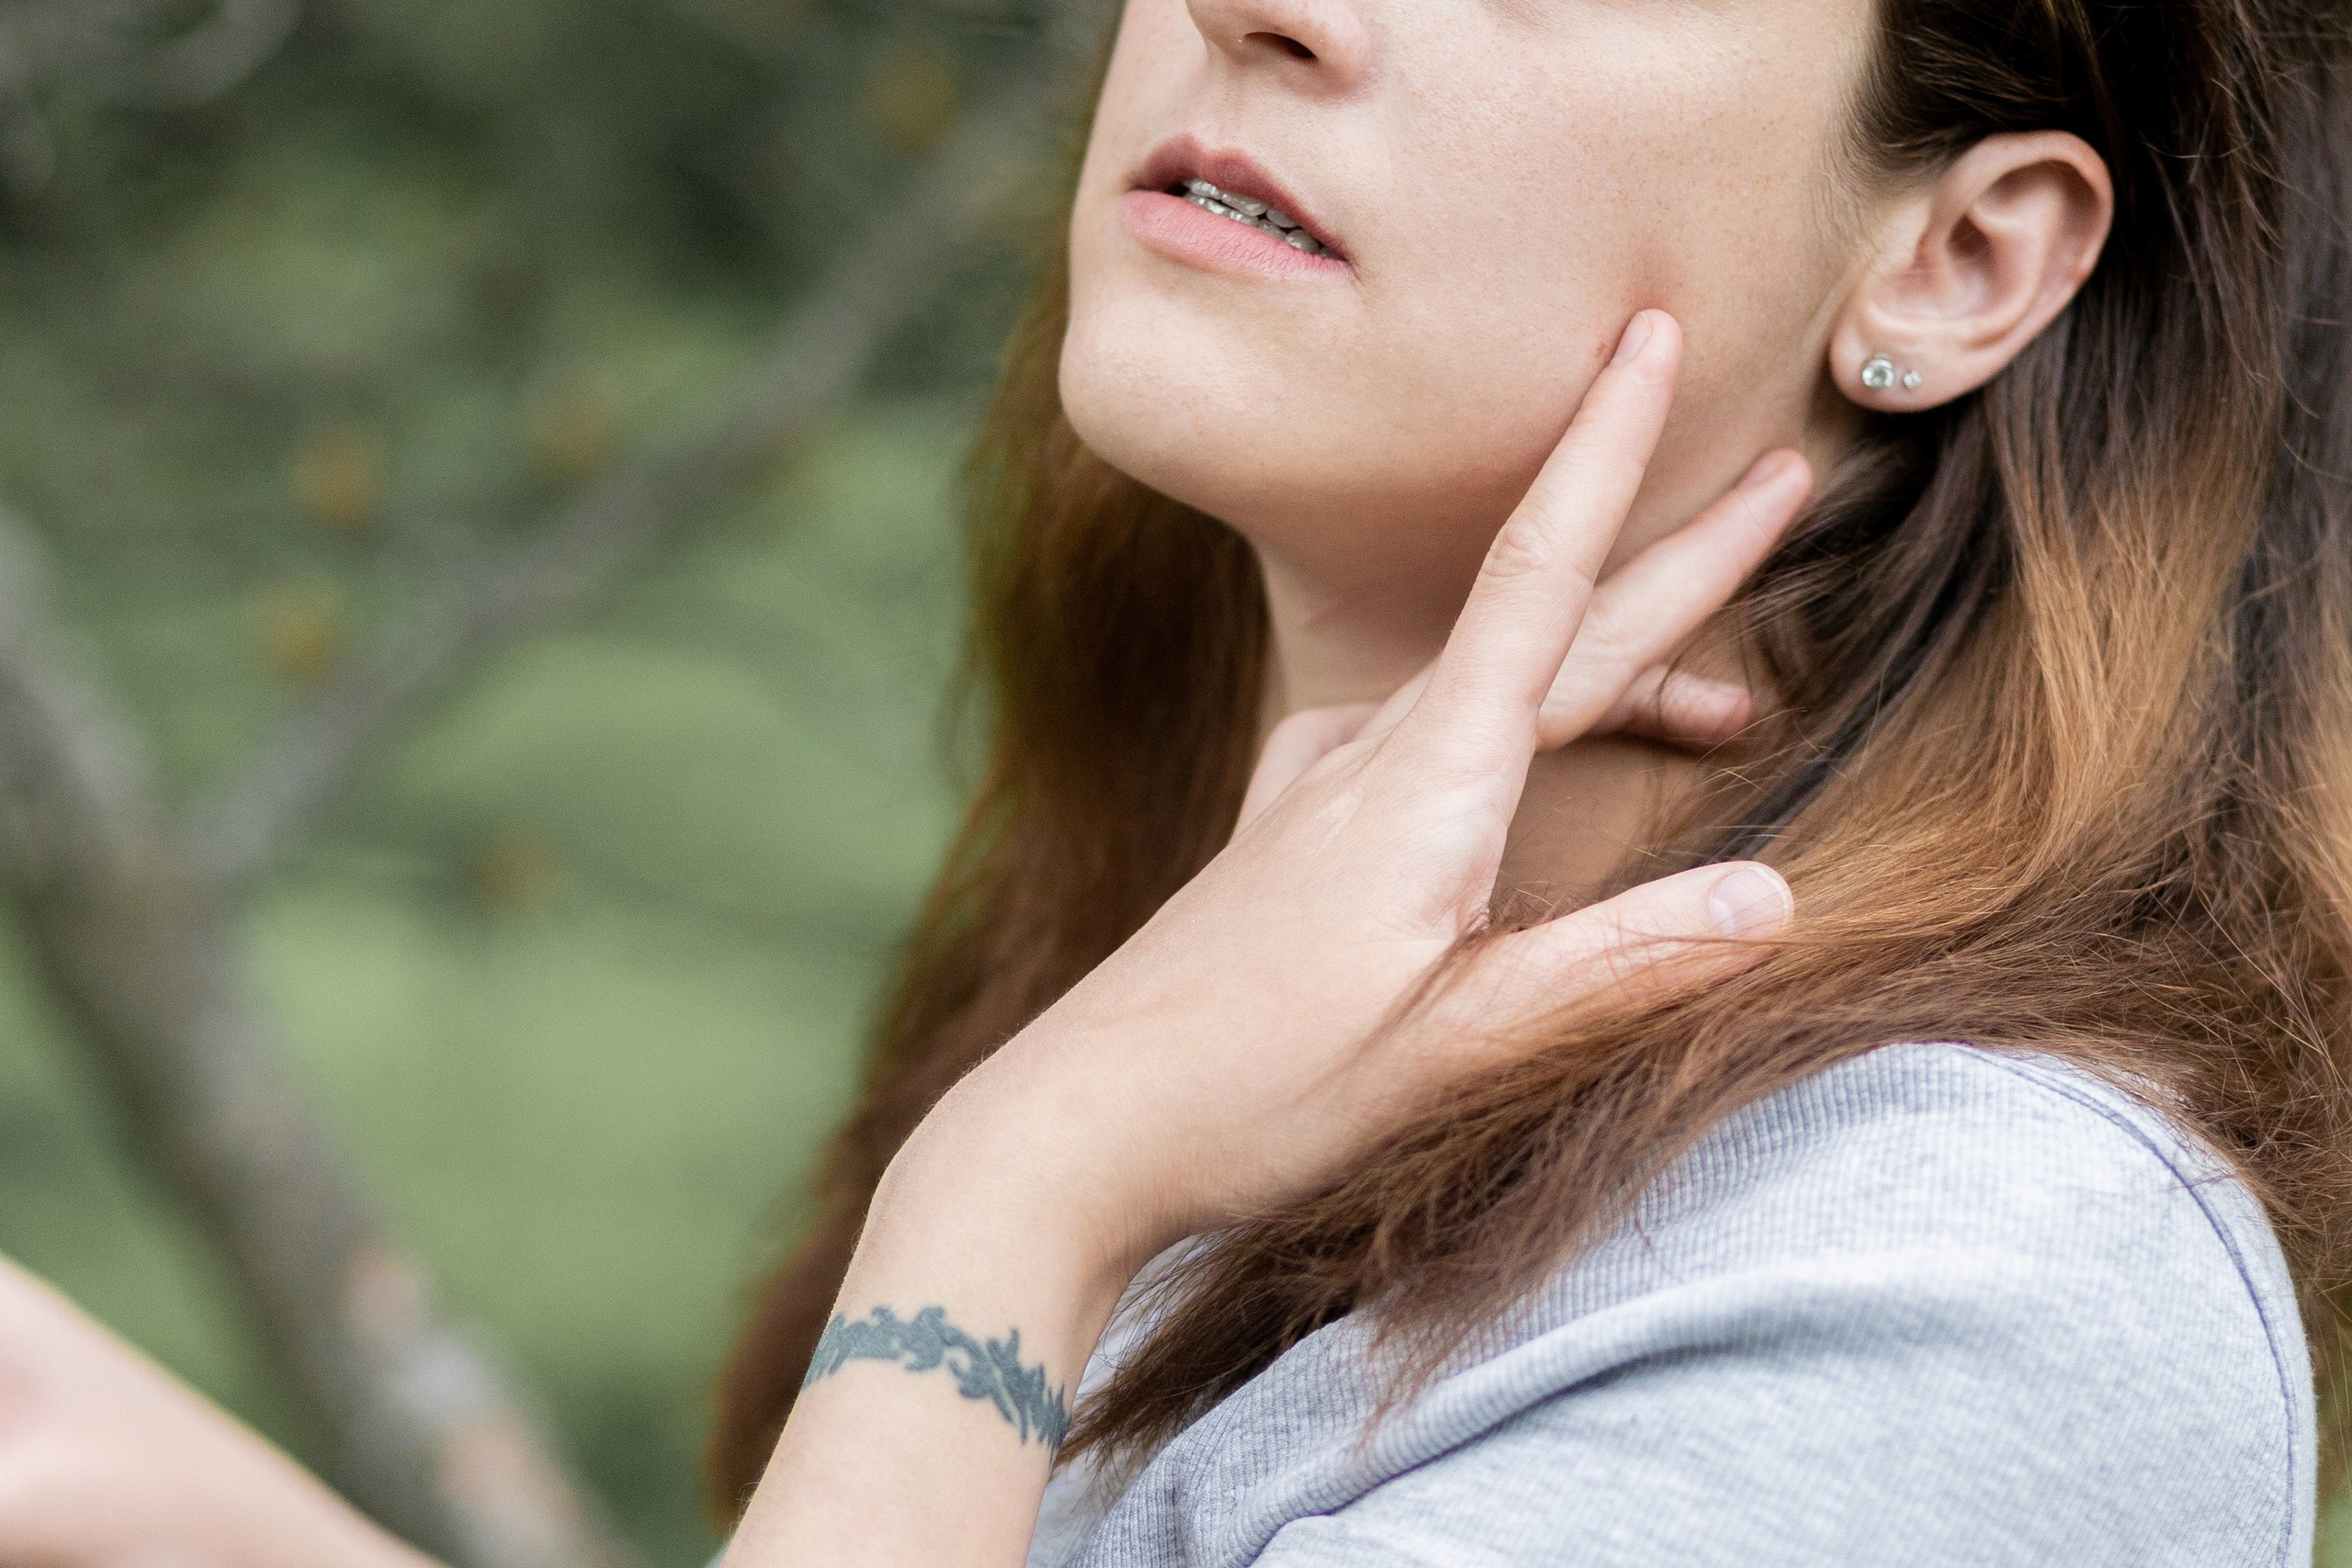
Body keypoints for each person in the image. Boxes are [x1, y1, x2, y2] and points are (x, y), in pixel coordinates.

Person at [0, 0, 2346, 1562]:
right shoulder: (1246, 1047)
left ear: (1958, 258)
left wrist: (1015, 1191)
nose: (1269, 2)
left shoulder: (1962, 1275)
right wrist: (135, 1494)